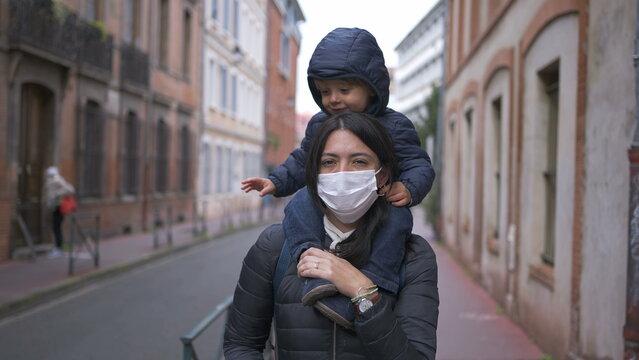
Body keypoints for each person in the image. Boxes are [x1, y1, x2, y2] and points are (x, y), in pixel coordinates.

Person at [241, 27, 435, 322]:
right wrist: (276, 181)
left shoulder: (395, 125)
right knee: (300, 202)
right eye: (324, 91)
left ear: (371, 87)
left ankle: (377, 281)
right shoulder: (320, 124)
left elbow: (419, 164)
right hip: (320, 207)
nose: (333, 99)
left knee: (397, 220)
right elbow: (301, 159)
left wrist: (408, 187)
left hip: (380, 199)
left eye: (344, 90)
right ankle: (311, 260)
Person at [225, 112, 439, 359]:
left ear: (382, 175)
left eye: (359, 162)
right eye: (329, 162)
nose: (342, 174)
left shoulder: (413, 256)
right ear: (313, 173)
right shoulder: (275, 246)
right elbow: (240, 345)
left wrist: (363, 292)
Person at [44, 166, 75, 258]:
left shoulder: (57, 180)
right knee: (55, 228)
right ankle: (57, 247)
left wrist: (57, 194)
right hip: (54, 207)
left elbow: (70, 189)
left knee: (56, 227)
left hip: (58, 208)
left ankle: (58, 248)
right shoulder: (52, 181)